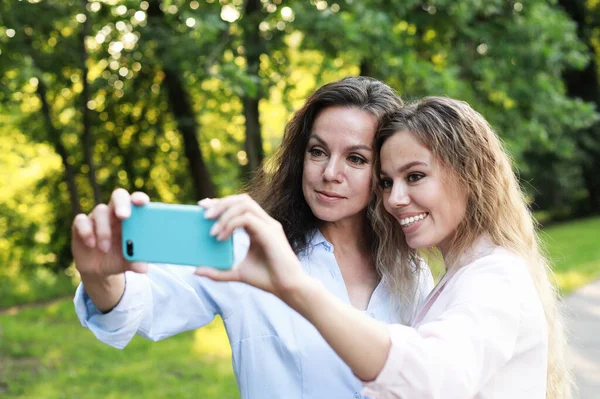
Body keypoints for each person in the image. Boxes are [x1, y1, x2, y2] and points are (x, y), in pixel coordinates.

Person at [71, 77, 434, 399]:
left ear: (383, 171)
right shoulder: (248, 249)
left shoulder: (412, 271)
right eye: (318, 151)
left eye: (356, 158)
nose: (329, 173)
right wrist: (101, 275)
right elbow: (138, 308)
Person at [196, 96, 571, 398]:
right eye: (388, 182)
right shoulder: (450, 276)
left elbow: (430, 379)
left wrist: (296, 287)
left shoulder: (494, 276)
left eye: (415, 176)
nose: (395, 198)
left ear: (471, 176)